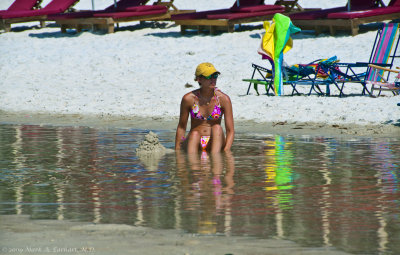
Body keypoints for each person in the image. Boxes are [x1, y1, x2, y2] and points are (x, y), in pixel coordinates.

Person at [175, 63, 234, 153]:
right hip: (195, 141)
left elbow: (230, 131)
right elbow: (182, 127)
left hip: (215, 142)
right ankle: (192, 165)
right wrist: (177, 153)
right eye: (209, 76)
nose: (213, 79)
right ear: (199, 79)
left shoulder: (223, 99)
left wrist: (226, 152)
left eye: (215, 75)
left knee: (217, 128)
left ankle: (216, 161)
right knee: (194, 134)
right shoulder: (188, 99)